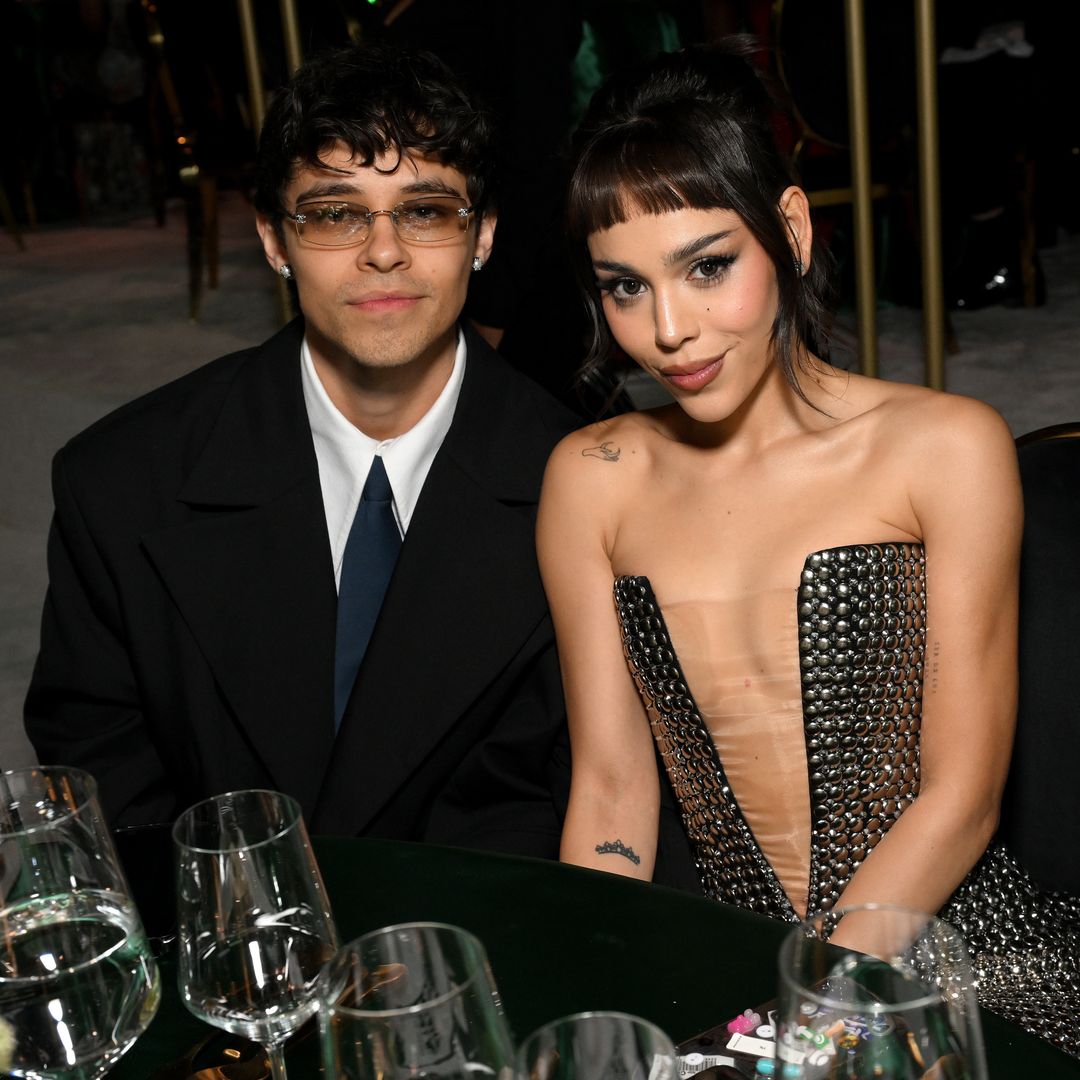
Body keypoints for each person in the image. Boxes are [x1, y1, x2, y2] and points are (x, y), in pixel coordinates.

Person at [538, 42, 1079, 1054]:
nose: (669, 330)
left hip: (956, 955)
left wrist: (800, 1015)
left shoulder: (943, 448)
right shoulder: (590, 478)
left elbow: (961, 797)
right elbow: (611, 792)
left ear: (788, 228)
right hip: (726, 963)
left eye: (708, 267)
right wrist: (599, 989)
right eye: (624, 287)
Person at [24, 44, 578, 858]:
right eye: (333, 213)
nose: (382, 251)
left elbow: (581, 800)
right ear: (275, 241)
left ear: (484, 234)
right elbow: (102, 789)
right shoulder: (118, 485)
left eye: (425, 209)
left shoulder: (586, 482)